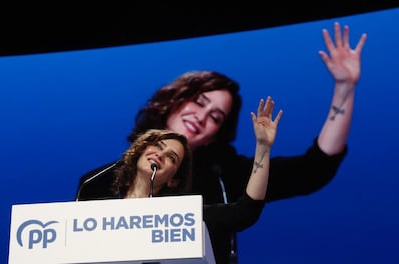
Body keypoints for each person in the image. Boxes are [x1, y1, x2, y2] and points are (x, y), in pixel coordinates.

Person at [75, 22, 367, 263]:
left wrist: (345, 87)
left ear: (216, 134)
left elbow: (314, 169)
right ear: (172, 102)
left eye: (215, 116)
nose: (201, 116)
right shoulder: (97, 182)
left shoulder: (225, 176)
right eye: (198, 101)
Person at [91, 98, 281, 264]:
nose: (161, 154)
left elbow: (246, 211)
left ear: (173, 180)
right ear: (139, 153)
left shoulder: (183, 218)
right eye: (158, 146)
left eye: (171, 157)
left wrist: (263, 148)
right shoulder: (93, 212)